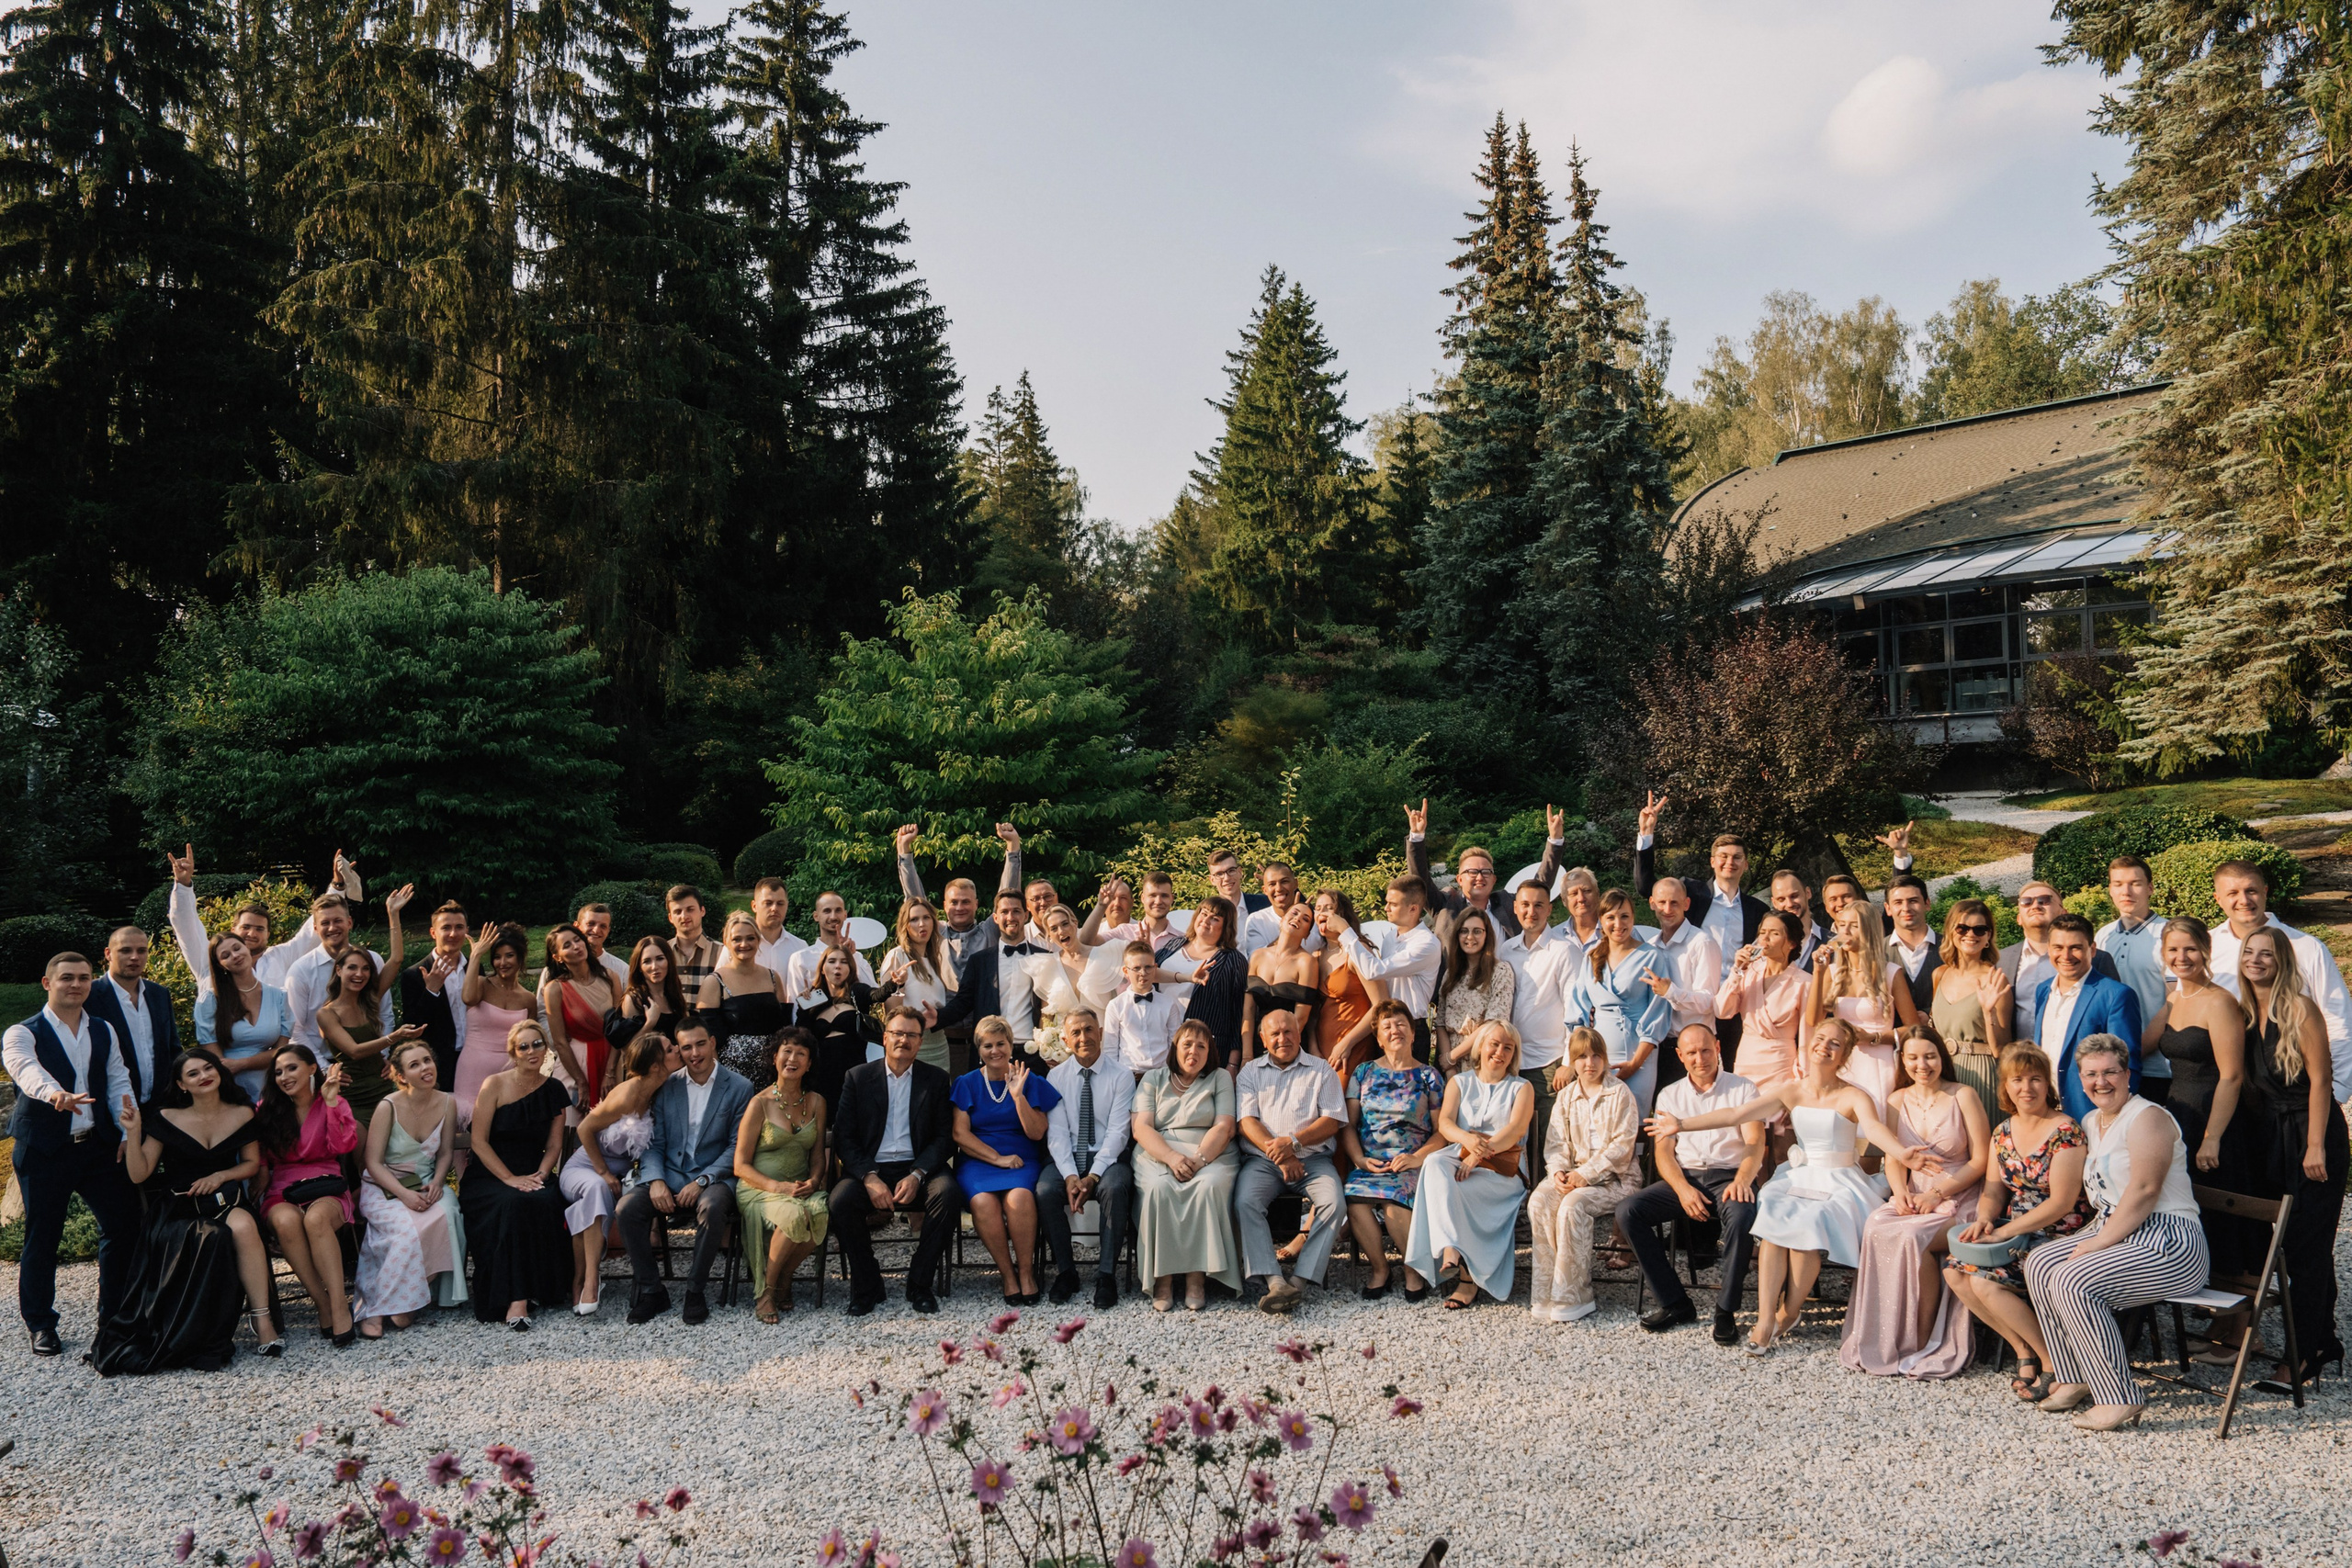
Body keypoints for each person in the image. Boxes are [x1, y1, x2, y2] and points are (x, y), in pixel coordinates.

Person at [1648, 1019, 1921, 1356]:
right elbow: (1736, 1114)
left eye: (1835, 1043)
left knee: (1808, 1223)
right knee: (1774, 1220)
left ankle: (1789, 1312)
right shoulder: (1792, 1090)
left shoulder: (1854, 1095)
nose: (1824, 1046)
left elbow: (1876, 1130)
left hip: (1837, 1180)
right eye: (1820, 1038)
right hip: (1799, 1175)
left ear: (1844, 1055)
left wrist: (1901, 1153)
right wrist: (1681, 1124)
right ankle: (1765, 1320)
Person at [2024, 1033, 2210, 1431]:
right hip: (2117, 1228)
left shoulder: (2148, 1118)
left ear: (2128, 1074)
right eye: (2091, 1074)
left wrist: (2097, 1243)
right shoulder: (2093, 1122)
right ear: (2080, 1079)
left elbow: (2144, 1191)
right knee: (2039, 1263)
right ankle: (2074, 1375)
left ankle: (2118, 1396)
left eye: (2110, 1072)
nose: (2101, 1082)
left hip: (2169, 1240)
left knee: (2073, 1280)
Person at [87, 1049, 281, 1372]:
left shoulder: (243, 1112)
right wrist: (133, 1133)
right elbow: (139, 1174)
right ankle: (200, 1328)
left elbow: (250, 1164)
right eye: (193, 1073)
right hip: (179, 1209)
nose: (204, 1076)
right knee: (213, 1236)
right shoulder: (165, 1117)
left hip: (224, 1199)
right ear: (181, 1084)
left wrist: (221, 1175)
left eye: (208, 1068)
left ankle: (262, 1321)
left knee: (245, 1227)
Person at [1942, 1043, 2093, 1403]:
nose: (2027, 1088)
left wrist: (2006, 1231)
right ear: (2006, 1087)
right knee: (1953, 1272)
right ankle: (2023, 1348)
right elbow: (1994, 1190)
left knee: (1985, 1284)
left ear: (2047, 1085)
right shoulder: (2002, 1132)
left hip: (2059, 1234)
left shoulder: (2066, 1131)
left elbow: (2062, 1202)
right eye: (2018, 1080)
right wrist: (1984, 1220)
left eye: (2035, 1079)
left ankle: (2053, 1361)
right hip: (2015, 1232)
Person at [5, 953, 138, 1356]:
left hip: (97, 1147)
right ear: (48, 983)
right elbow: (24, 1068)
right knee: (43, 1236)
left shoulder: (103, 1029)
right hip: (45, 1150)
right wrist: (54, 1094)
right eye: (67, 978)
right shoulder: (22, 1032)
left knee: (122, 1226)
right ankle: (41, 1324)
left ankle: (113, 1315)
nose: (76, 984)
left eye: (83, 978)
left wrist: (126, 1130)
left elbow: (117, 1080)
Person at [1839, 1025, 1991, 1379]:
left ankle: (1923, 1340)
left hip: (1959, 1196)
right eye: (1913, 1058)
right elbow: (1894, 1157)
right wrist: (1900, 1191)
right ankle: (1886, 1335)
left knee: (1912, 1237)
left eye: (1930, 1056)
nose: (1922, 1065)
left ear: (1941, 1058)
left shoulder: (1963, 1095)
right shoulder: (1896, 1100)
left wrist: (1937, 1193)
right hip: (1913, 1195)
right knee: (1876, 1226)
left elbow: (1981, 1160)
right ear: (1903, 1061)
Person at [2236, 927, 2347, 1385]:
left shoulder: (2299, 1008)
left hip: (2311, 1132)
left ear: (2282, 961)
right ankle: (2323, 1340)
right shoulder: (2246, 1012)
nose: (2256, 960)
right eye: (2249, 952)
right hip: (2272, 1137)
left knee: (2307, 1247)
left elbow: (2322, 1080)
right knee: (2296, 1245)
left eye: (2266, 954)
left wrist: (2316, 1144)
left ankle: (2300, 1357)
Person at [1618, 1027, 1766, 1342]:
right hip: (1686, 1177)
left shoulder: (1743, 1088)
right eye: (1692, 1053)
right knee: (1629, 1211)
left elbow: (1755, 1143)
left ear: (1718, 1047)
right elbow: (1663, 1154)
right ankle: (1675, 1303)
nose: (1700, 1059)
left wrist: (1743, 1180)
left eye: (1706, 1050)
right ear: (1680, 1056)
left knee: (1741, 1217)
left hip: (1731, 1176)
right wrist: (1683, 1190)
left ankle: (1725, 1310)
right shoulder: (1669, 1094)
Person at [617, 1019, 754, 1325]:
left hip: (715, 1176)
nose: (695, 1053)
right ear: (679, 1050)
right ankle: (652, 1291)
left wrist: (703, 1180)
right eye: (687, 1047)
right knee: (627, 1209)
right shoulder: (667, 1085)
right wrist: (655, 1180)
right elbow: (654, 1142)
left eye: (701, 1044)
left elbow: (737, 1146)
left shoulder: (740, 1087)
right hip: (669, 1173)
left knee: (713, 1206)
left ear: (713, 1043)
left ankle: (695, 1290)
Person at [830, 1004, 958, 1315]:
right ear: (885, 1038)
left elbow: (945, 1137)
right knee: (840, 1201)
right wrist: (869, 1177)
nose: (904, 1040)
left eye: (912, 1035)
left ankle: (920, 1283)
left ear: (921, 1041)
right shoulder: (858, 1077)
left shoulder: (936, 1079)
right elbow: (844, 1137)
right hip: (872, 1167)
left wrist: (917, 1174)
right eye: (898, 1033)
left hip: (919, 1166)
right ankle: (868, 1284)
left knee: (948, 1194)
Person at [1406, 1020, 1534, 1311]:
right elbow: (1446, 1123)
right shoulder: (1460, 1082)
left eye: (1508, 1048)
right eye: (1494, 1044)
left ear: (1514, 1054)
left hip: (1502, 1171)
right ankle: (1451, 1246)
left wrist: (1480, 1154)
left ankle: (1466, 1278)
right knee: (1434, 1162)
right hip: (1460, 1158)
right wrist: (1467, 1140)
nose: (1499, 1052)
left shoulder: (1521, 1087)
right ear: (1481, 1046)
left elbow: (1515, 1130)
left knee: (1455, 1189)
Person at [1633, 792, 1768, 1059]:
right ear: (1712, 861)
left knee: (1730, 1072)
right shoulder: (1693, 894)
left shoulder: (1757, 910)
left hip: (1735, 1006)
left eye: (1737, 857)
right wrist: (1646, 834)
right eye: (1723, 856)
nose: (1730, 862)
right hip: (1690, 1007)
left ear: (1745, 864)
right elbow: (1647, 887)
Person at [458, 1020, 574, 1329]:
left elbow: (554, 1144)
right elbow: (478, 1142)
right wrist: (509, 1179)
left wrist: (541, 1174)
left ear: (545, 1049)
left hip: (534, 1172)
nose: (531, 1051)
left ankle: (541, 1289)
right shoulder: (494, 1085)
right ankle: (516, 1299)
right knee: (513, 1203)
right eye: (524, 1046)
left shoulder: (554, 1089)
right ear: (513, 1052)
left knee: (546, 1200)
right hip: (489, 1175)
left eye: (537, 1044)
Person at [2209, 858, 2352, 1104]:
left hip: (2292, 1089)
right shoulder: (2207, 948)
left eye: (2251, 890)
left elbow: (2338, 1018)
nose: (2244, 900)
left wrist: (2339, 1088)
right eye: (2233, 893)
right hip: (2225, 1089)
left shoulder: (2306, 948)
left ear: (2265, 891)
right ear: (2218, 898)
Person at [1234, 1008, 1348, 1314]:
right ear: (1263, 1039)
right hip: (1263, 1162)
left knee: (1334, 1202)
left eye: (1288, 1031)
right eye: (1275, 1033)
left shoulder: (1321, 1069)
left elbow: (1332, 1121)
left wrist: (1294, 1144)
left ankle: (1298, 1282)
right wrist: (1282, 1156)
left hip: (1313, 1160)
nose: (1282, 1038)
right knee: (1245, 1201)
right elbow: (1247, 1122)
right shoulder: (1250, 1072)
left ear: (1299, 1033)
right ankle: (1274, 1282)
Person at [353, 1038, 467, 1337]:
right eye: (414, 1065)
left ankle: (414, 1295)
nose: (425, 1068)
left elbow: (445, 1152)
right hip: (384, 1186)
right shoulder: (387, 1107)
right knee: (406, 1231)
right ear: (401, 1076)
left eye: (427, 1060)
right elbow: (373, 1163)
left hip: (427, 1183)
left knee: (448, 1213)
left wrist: (438, 1182)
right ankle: (376, 1307)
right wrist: (404, 1195)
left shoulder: (448, 1102)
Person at [1527, 1027, 1642, 1324]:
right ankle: (1548, 1290)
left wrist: (1585, 1175)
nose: (1589, 1063)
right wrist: (1558, 1172)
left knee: (1572, 1206)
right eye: (1581, 1057)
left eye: (1595, 1056)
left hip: (1615, 1179)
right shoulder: (1566, 1097)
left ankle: (1575, 1294)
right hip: (1573, 1174)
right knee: (1539, 1202)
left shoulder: (1620, 1093)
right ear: (1573, 1061)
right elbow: (1556, 1144)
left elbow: (1622, 1147)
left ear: (1604, 1058)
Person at [1131, 1019, 1241, 1311]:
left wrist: (1198, 1160)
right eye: (1187, 1044)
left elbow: (1225, 1126)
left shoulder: (1219, 1078)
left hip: (1210, 1152)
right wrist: (1171, 1157)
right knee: (1159, 1188)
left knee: (1209, 1186)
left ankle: (1196, 1278)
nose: (1194, 1051)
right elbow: (1141, 1128)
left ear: (1210, 1052)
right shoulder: (1153, 1079)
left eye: (1201, 1046)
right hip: (1159, 1152)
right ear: (1175, 1047)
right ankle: (1162, 1279)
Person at [560, 1032, 672, 1316]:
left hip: (621, 1177)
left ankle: (578, 1279)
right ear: (655, 1066)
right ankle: (591, 1280)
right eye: (670, 1049)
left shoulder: (661, 1091)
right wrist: (603, 1172)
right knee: (597, 1188)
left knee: (594, 1201)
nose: (678, 1051)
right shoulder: (626, 1095)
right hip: (585, 1168)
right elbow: (584, 1129)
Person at [255, 1043, 361, 1345]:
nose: (284, 1077)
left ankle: (338, 1306)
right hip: (282, 1188)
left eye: (292, 1068)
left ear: (312, 1068)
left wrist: (330, 1102)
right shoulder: (266, 1109)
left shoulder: (334, 1101)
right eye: (278, 1072)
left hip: (326, 1184)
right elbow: (261, 1156)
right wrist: (259, 1179)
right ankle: (322, 1302)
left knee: (316, 1219)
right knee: (286, 1222)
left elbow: (343, 1147)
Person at [952, 1017, 1062, 1304]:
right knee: (982, 1202)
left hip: (1022, 1159)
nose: (995, 1051)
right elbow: (960, 1134)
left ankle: (1026, 1272)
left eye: (1000, 1043)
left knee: (1020, 1198)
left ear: (1011, 1046)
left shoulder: (1030, 1080)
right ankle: (1007, 1274)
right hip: (979, 1161)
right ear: (979, 1050)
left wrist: (1018, 1097)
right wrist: (997, 1159)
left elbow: (1037, 1133)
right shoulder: (967, 1083)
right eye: (987, 1045)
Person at [1340, 1001, 1445, 1301]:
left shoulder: (1429, 1077)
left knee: (1393, 1202)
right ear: (1378, 1038)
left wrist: (1417, 1158)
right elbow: (1348, 1125)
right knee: (1354, 1200)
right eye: (1387, 1026)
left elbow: (1442, 1132)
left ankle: (1413, 1271)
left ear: (1413, 1034)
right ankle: (1380, 1269)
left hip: (1413, 1162)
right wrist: (1359, 1159)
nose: (1394, 1030)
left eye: (1401, 1024)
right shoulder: (1363, 1073)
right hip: (1372, 1163)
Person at [2140, 918, 2250, 1192]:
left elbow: (2232, 1076)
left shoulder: (2220, 1002)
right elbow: (2140, 1048)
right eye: (2173, 950)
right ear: (2163, 953)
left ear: (2206, 950)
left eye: (2190, 949)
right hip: (2180, 1114)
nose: (2181, 957)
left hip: (2214, 1117)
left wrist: (2212, 1137)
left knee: (2216, 1199)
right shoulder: (2173, 1000)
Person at [165, 843, 360, 996]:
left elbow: (312, 934)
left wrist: (337, 885)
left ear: (268, 935)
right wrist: (183, 883)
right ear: (233, 929)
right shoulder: (210, 961)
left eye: (259, 929)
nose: (252, 933)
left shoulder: (280, 957)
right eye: (246, 927)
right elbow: (186, 925)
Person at [1038, 1008, 1136, 1310]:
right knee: (1045, 1190)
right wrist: (1070, 1176)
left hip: (1109, 1157)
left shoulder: (1121, 1076)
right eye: (1076, 1033)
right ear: (1065, 1041)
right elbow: (1056, 1133)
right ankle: (1066, 1272)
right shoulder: (1056, 1077)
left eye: (1089, 1030)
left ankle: (1106, 1275)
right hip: (1067, 1155)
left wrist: (1092, 1177)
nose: (1084, 1038)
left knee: (1114, 1188)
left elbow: (1119, 1133)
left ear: (1101, 1033)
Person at [733, 1030, 831, 1323]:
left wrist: (814, 1181)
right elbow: (740, 1165)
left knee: (821, 1211)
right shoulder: (759, 1103)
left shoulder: (817, 1102)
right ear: (775, 1057)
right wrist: (777, 1187)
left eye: (801, 1053)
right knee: (793, 1215)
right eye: (787, 1051)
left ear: (809, 1064)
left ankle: (784, 1277)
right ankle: (766, 1292)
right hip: (759, 1188)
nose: (793, 1058)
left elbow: (817, 1156)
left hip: (800, 1187)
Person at [1501, 879, 1583, 1187]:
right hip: (1510, 1063)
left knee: (1550, 1142)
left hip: (1550, 1063)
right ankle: (1521, 1201)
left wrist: (1569, 1062)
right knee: (1514, 1140)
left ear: (1550, 909)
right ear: (1515, 908)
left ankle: (1549, 1201)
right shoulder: (1507, 950)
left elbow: (1576, 1011)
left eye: (1538, 905)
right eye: (1525, 905)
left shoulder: (1564, 951)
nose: (1531, 911)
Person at [1804, 899, 1917, 1123]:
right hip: (1841, 1061)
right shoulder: (1833, 972)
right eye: (1841, 925)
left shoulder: (1890, 973)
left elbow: (1914, 1029)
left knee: (1874, 1126)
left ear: (1869, 931)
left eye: (1853, 926)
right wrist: (1818, 972)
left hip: (1879, 1062)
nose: (1845, 931)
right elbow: (1812, 1019)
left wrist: (1874, 1037)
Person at [1566, 889, 1673, 1115]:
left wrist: (1635, 1064)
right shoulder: (1592, 957)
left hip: (1638, 1057)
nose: (1618, 924)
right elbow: (1578, 1010)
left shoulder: (1651, 956)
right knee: (1598, 1119)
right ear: (1601, 920)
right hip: (1597, 1058)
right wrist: (1583, 1058)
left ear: (1633, 917)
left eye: (1624, 916)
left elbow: (1658, 1012)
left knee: (1632, 1118)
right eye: (1611, 917)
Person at [1403, 799, 1566, 943]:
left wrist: (1555, 841)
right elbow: (1420, 882)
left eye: (1486, 872)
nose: (1480, 877)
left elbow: (1539, 888)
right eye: (1472, 872)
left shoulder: (1507, 903)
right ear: (1459, 879)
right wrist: (1417, 837)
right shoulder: (1446, 904)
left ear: (1494, 879)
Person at [317, 923, 426, 1136]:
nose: (359, 974)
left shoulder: (368, 1002)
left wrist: (393, 916)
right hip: (353, 1096)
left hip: (382, 1090)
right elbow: (354, 1051)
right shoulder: (327, 1014)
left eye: (366, 968)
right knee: (358, 1150)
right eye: (352, 968)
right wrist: (395, 1037)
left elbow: (396, 959)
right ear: (339, 970)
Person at [2037, 914, 2144, 1121]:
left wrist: (2112, 1120)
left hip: (2091, 1114)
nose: (2066, 955)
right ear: (2049, 949)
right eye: (2058, 947)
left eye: (2075, 947)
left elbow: (2127, 1066)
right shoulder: (2042, 991)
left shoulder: (2116, 995)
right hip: (2046, 1113)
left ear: (2092, 950)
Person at [1714, 910, 1809, 1137]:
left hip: (1781, 1065)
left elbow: (1809, 1035)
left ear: (1791, 942)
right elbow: (1722, 1010)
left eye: (1774, 933)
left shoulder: (1805, 982)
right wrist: (1737, 970)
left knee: (1777, 1133)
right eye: (1762, 932)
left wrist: (1802, 1079)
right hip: (1747, 1059)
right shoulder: (1749, 972)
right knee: (1743, 1130)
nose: (1765, 939)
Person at [1333, 875, 1443, 1064]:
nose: (1386, 908)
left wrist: (1345, 932)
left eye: (1393, 904)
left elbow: (1374, 971)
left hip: (1410, 1027)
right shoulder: (1391, 937)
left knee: (1410, 1082)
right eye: (1387, 902)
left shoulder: (1426, 944)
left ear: (1413, 909)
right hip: (1383, 1023)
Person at [896, 820, 1023, 978]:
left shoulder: (989, 931)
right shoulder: (937, 932)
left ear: (976, 904)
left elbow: (1008, 896)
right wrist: (904, 851)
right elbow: (915, 901)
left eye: (966, 902)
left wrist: (1013, 846)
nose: (959, 907)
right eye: (954, 902)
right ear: (944, 905)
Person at [1634, 876, 1724, 1097]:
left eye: (1674, 903)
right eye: (1662, 902)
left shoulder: (1702, 943)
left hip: (1696, 1051)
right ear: (1652, 904)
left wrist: (1671, 993)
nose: (1667, 909)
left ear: (1686, 904)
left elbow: (1709, 1001)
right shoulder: (1650, 947)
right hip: (1659, 1049)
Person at [935, 891, 1046, 1067]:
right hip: (989, 1053)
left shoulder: (1045, 958)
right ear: (995, 918)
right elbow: (963, 1003)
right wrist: (936, 1018)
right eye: (1004, 912)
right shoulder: (979, 961)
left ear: (1026, 915)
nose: (1010, 917)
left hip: (1032, 1054)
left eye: (1016, 911)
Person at [2000, 883, 2120, 1041]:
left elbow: (2113, 1021)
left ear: (2063, 913)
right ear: (2019, 919)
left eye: (2044, 900)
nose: (2035, 906)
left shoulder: (2097, 959)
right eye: (2026, 902)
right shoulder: (2002, 960)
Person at [2098, 855, 2173, 1103]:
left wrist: (2133, 1052)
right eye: (2118, 884)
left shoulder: (2169, 934)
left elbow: (2174, 1002)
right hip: (2109, 1070)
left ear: (2150, 888)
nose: (2126, 891)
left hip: (2158, 1069)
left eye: (2135, 883)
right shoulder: (2102, 936)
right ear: (2110, 889)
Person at [1930, 898, 2014, 1121]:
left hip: (1982, 1075)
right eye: (1962, 928)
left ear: (1988, 936)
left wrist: (1989, 1014)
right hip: (1942, 1073)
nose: (1971, 934)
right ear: (1951, 931)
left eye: (1979, 929)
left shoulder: (1995, 980)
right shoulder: (1939, 974)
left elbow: (2001, 1049)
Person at [283, 890, 393, 1055]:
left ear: (349, 922)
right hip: (321, 1061)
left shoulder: (372, 960)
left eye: (337, 921)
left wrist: (382, 1055)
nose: (332, 928)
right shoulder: (301, 971)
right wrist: (323, 1067)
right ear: (316, 928)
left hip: (373, 1057)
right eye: (325, 923)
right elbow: (295, 1029)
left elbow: (384, 1013)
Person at [85, 925, 178, 1111]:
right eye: (126, 950)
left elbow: (172, 1048)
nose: (135, 957)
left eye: (141, 951)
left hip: (160, 1106)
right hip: (109, 1108)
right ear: (108, 954)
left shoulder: (159, 994)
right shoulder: (89, 996)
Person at [196, 930, 291, 1102]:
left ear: (246, 948)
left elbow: (282, 1051)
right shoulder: (210, 1000)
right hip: (228, 1086)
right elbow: (213, 1056)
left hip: (271, 1085)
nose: (235, 955)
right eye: (226, 955)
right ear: (220, 965)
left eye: (237, 948)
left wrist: (242, 1064)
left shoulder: (279, 997)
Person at [456, 923, 537, 1126]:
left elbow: (532, 1040)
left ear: (520, 957)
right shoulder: (482, 984)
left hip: (510, 1075)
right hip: (473, 1071)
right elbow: (467, 998)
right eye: (497, 957)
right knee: (468, 1129)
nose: (502, 962)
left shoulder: (528, 999)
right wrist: (476, 955)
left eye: (509, 956)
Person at [698, 910, 790, 1090]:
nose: (744, 944)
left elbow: (784, 1026)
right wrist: (718, 1079)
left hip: (771, 1071)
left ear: (758, 940)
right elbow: (708, 1037)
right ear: (727, 942)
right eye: (737, 939)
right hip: (732, 1075)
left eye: (750, 938)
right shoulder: (714, 982)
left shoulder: (773, 977)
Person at [877, 898, 960, 1074]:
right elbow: (891, 1013)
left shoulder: (936, 957)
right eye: (914, 919)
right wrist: (898, 985)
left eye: (926, 917)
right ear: (905, 925)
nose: (921, 924)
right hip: (909, 1040)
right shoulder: (898, 956)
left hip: (938, 1040)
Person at [396, 902, 471, 1092]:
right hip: (439, 1064)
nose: (453, 934)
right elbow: (412, 1026)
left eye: (459, 927)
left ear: (466, 931)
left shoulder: (473, 967)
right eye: (446, 928)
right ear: (433, 933)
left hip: (473, 1057)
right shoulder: (414, 974)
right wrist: (431, 991)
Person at [541, 920, 620, 1103]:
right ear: (557, 957)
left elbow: (619, 1028)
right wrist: (580, 1081)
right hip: (575, 1064)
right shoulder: (554, 989)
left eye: (577, 940)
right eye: (567, 945)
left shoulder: (610, 977)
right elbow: (560, 1041)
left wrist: (610, 1072)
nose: (576, 946)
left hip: (611, 1060)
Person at [1310, 889, 1385, 1077]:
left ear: (1342, 914)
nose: (1321, 913)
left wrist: (1347, 1043)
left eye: (1328, 908)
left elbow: (1381, 1003)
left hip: (1352, 1046)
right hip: (1320, 1048)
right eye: (1317, 908)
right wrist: (1313, 1047)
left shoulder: (1357, 951)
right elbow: (1312, 1010)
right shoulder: (1316, 954)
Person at [1434, 905, 1517, 1072]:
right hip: (1451, 1064)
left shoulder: (1500, 971)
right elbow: (1441, 1022)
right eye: (1464, 931)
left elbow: (1493, 1024)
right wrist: (1449, 1069)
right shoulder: (1451, 974)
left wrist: (1452, 1057)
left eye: (1477, 931)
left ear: (1487, 935)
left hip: (1482, 1060)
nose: (1470, 937)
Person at [797, 944, 878, 1111]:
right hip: (821, 1076)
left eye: (844, 962)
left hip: (853, 1074)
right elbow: (801, 1036)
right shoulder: (815, 998)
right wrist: (803, 1006)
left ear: (850, 968)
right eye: (832, 961)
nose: (838, 966)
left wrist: (894, 983)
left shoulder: (857, 992)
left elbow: (877, 995)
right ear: (822, 968)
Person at [1177, 897, 1250, 1072]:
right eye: (1204, 913)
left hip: (1206, 1052)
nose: (1206, 920)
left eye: (1215, 918)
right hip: (1163, 1047)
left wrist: (1233, 1063)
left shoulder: (1234, 960)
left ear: (1226, 927)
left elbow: (1238, 1015)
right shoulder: (1173, 945)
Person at [1243, 902, 1321, 1054]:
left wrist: (1278, 1047)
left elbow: (1301, 1017)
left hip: (1289, 1045)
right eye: (1294, 913)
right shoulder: (1258, 956)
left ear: (1307, 934)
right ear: (1282, 920)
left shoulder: (1307, 962)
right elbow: (1248, 1010)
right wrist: (1247, 1054)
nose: (1298, 918)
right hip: (1257, 1040)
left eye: (1305, 919)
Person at [1103, 940, 1185, 1077]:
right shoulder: (1116, 1005)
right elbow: (1110, 1048)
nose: (1143, 973)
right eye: (1136, 968)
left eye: (1148, 967)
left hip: (1162, 1075)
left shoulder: (1169, 1004)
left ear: (1155, 968)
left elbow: (1175, 1044)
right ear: (1126, 971)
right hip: (1129, 1076)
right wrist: (1114, 1078)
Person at [785, 891, 878, 998]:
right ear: (816, 916)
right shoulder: (801, 958)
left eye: (838, 910)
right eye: (827, 911)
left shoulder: (857, 957)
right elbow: (795, 1001)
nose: (833, 917)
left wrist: (850, 956)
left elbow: (872, 993)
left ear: (845, 915)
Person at [610, 935, 690, 1055]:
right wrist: (649, 1024)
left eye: (660, 959)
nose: (654, 966)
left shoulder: (674, 994)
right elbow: (627, 1050)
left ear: (669, 961)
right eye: (647, 961)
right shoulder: (634, 999)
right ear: (639, 967)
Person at [1883, 874, 1941, 1019]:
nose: (1906, 908)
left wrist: (1931, 1015)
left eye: (1913, 901)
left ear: (1927, 903)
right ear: (1888, 908)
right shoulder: (1875, 951)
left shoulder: (1952, 947)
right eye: (1898, 902)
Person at [1241, 862, 1325, 958]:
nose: (1279, 889)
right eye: (1272, 884)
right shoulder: (1256, 920)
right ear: (1265, 890)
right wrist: (1287, 931)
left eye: (1284, 882)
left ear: (1295, 883)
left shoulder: (1317, 919)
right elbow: (1256, 960)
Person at [664, 885, 723, 999]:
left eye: (690, 909)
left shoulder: (721, 952)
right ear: (670, 918)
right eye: (678, 912)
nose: (684, 916)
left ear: (702, 911)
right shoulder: (662, 953)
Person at [748, 877, 808, 978]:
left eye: (780, 903)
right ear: (754, 906)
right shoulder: (738, 947)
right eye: (768, 903)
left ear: (787, 906)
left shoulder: (800, 948)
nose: (774, 908)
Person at [574, 901, 633, 986]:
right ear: (576, 926)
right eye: (591, 924)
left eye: (603, 926)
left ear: (608, 931)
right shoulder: (561, 967)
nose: (596, 930)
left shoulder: (622, 970)